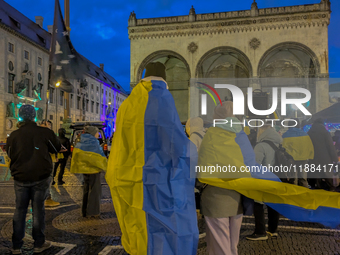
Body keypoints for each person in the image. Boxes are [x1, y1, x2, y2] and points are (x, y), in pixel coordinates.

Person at [106, 62, 199, 255]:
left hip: (129, 180)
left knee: (138, 230)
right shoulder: (162, 98)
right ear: (164, 78)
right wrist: (196, 136)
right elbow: (177, 146)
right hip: (159, 182)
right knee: (162, 233)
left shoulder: (127, 104)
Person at [6, 105, 61, 254]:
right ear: (34, 116)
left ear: (20, 116)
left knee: (20, 210)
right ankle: (39, 243)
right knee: (38, 210)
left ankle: (16, 245)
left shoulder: (14, 135)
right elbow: (56, 149)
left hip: (20, 177)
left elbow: (10, 154)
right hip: (40, 176)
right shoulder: (45, 132)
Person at [197, 101, 244, 255]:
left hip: (215, 196)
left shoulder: (211, 134)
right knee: (232, 246)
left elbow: (202, 163)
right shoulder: (242, 134)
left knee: (219, 245)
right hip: (237, 195)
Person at [246, 125, 282, 241]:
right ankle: (273, 230)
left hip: (264, 179)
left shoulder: (261, 146)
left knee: (258, 204)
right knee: (274, 204)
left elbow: (255, 165)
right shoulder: (278, 144)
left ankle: (260, 231)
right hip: (277, 178)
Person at [70, 126, 107, 217]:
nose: (98, 134)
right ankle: (93, 212)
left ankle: (85, 211)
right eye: (97, 132)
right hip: (94, 171)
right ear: (93, 133)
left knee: (86, 190)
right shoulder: (94, 143)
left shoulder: (81, 142)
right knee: (95, 191)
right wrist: (106, 166)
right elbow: (99, 158)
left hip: (84, 171)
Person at [282, 119, 314, 188]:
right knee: (303, 179)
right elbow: (310, 147)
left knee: (293, 180)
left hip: (291, 160)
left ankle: (294, 196)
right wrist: (310, 156)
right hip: (303, 159)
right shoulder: (305, 134)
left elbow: (283, 149)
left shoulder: (285, 135)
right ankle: (305, 195)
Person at [308, 118, 338, 191]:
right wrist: (335, 158)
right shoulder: (325, 132)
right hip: (325, 159)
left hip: (314, 159)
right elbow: (330, 146)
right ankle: (331, 192)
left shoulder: (309, 132)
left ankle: (319, 193)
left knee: (317, 177)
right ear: (322, 124)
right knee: (328, 177)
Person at [40, 120, 60, 207]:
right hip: (44, 161)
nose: (49, 127)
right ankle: (47, 198)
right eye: (47, 125)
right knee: (46, 179)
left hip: (45, 159)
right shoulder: (45, 134)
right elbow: (55, 146)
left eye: (50, 125)